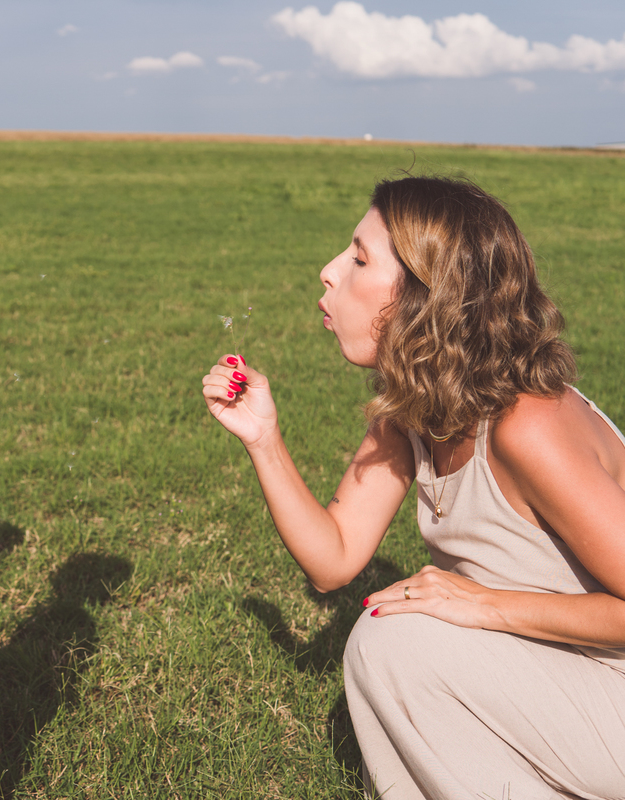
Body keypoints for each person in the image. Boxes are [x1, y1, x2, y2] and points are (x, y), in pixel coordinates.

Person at [202, 176, 625, 798]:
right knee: (391, 635)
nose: (328, 271)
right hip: (567, 679)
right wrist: (263, 439)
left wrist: (485, 605)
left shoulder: (528, 425)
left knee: (395, 644)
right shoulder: (414, 412)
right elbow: (335, 559)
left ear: (427, 298)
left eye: (359, 258)